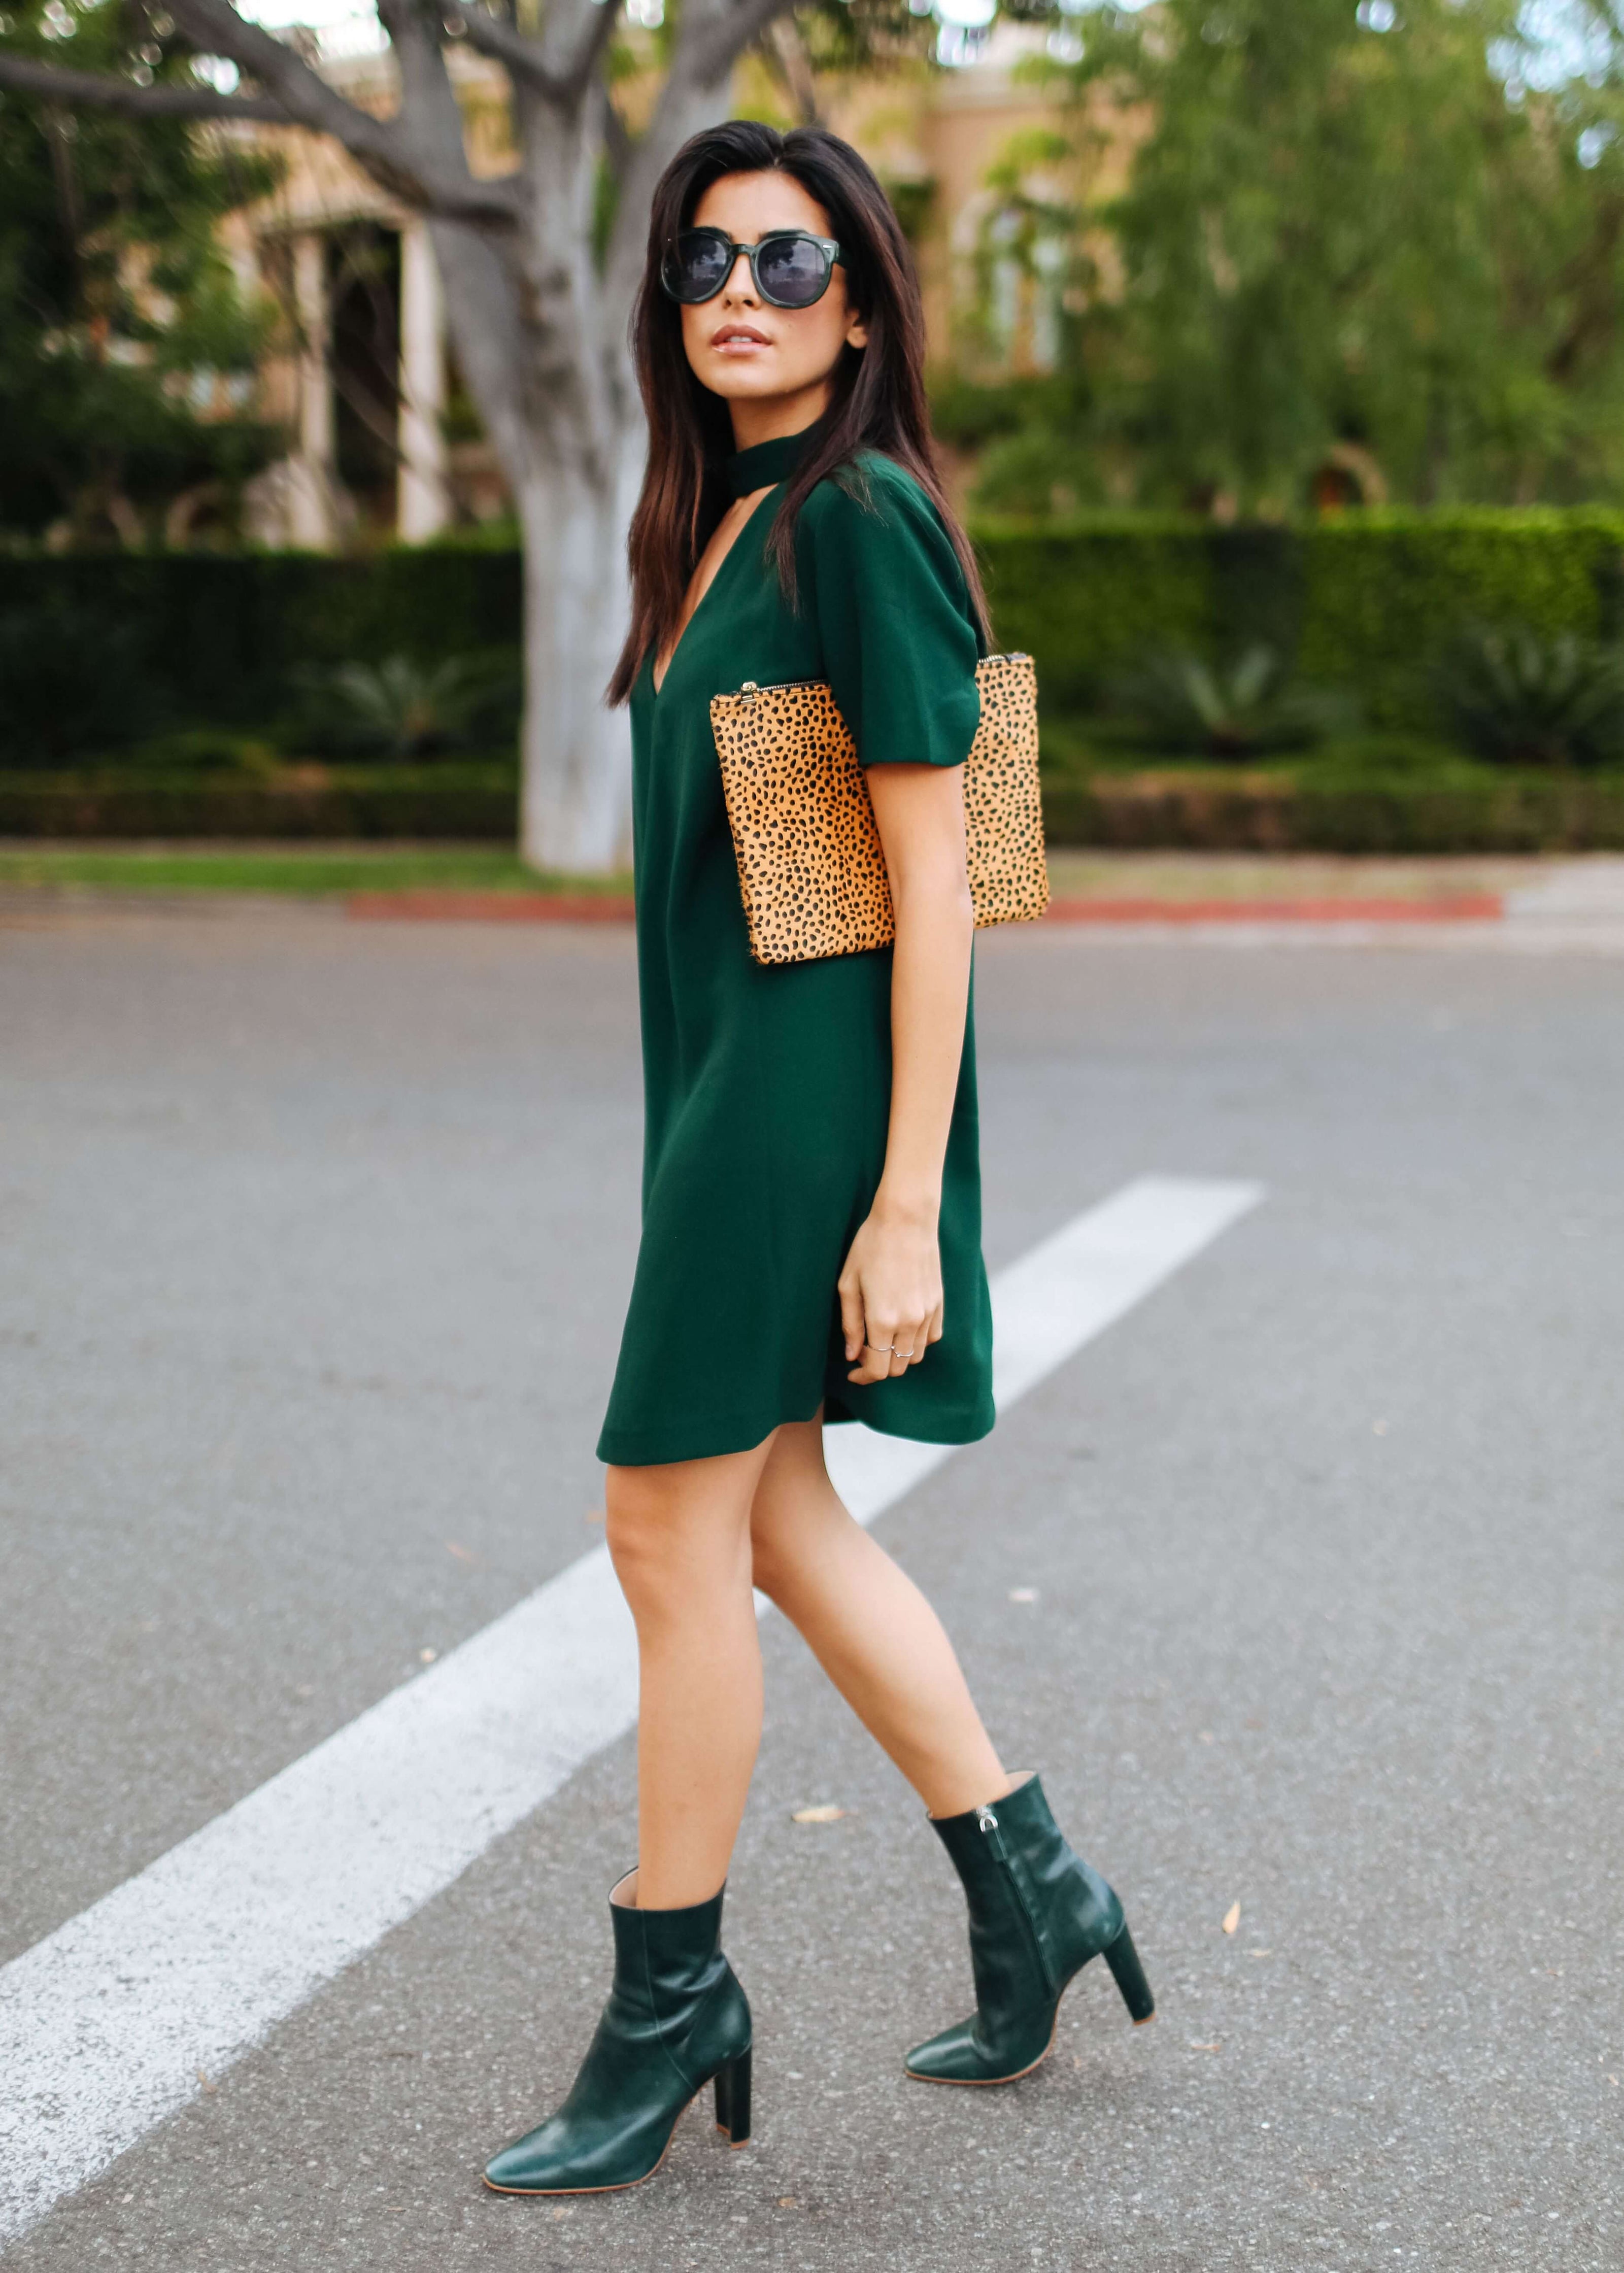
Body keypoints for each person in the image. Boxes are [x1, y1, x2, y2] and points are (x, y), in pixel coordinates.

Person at [483, 119, 1154, 2199]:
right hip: (729, 1091)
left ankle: (669, 1997)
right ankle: (1031, 1881)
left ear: (859, 298)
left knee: (659, 1535)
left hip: (801, 1108)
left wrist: (896, 1203)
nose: (735, 300)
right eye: (700, 264)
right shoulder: (721, 521)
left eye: (785, 264)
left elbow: (942, 884)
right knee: (765, 1524)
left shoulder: (852, 516)